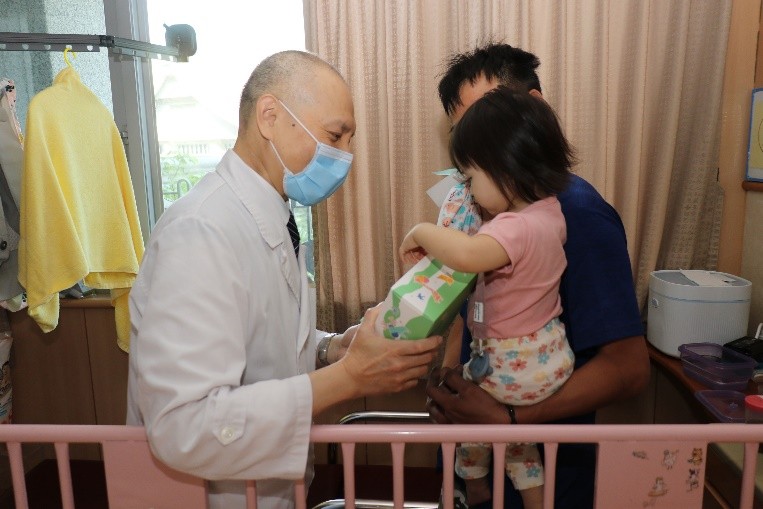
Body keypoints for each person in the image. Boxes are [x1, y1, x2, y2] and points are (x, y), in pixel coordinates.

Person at [126, 50, 442, 509]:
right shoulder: (200, 231)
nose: (346, 156)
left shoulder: (272, 216)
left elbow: (259, 334)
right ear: (270, 117)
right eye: (335, 136)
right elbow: (184, 426)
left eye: (349, 140)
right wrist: (350, 377)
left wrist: (330, 348)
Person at [425, 43, 650, 508]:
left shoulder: (578, 217)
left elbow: (628, 369)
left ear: (535, 110)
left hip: (546, 469)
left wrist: (509, 417)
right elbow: (473, 311)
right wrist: (451, 385)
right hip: (478, 457)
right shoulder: (482, 211)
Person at [400, 87, 576, 509]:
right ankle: (535, 499)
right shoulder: (551, 212)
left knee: (465, 415)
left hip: (510, 363)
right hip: (547, 357)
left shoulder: (514, 227)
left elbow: (467, 255)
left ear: (505, 169)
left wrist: (422, 232)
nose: (469, 190)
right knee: (517, 445)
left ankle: (475, 486)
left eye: (471, 177)